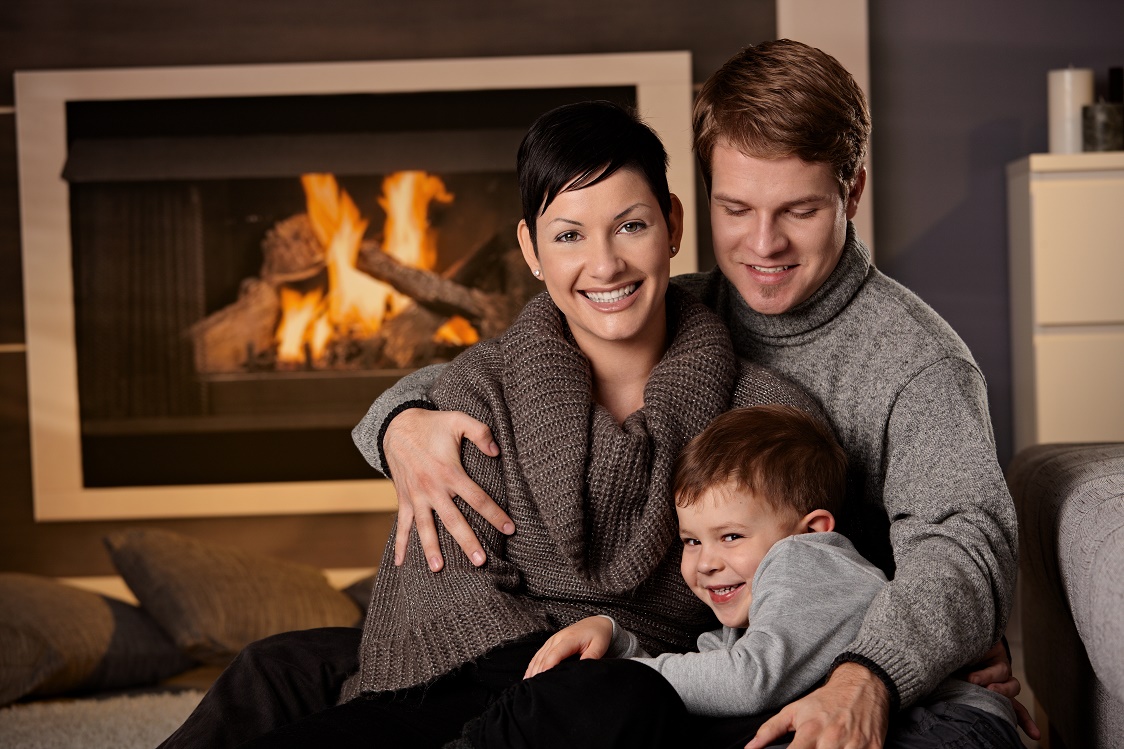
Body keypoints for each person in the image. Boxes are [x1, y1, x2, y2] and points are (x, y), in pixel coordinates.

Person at [362, 39, 1035, 748]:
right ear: (694, 207)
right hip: (682, 655)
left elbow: (963, 546)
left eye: (798, 211)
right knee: (280, 673)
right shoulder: (681, 303)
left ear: (853, 192)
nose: (763, 245)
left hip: (817, 653)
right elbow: (532, 356)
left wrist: (874, 670)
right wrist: (399, 423)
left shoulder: (915, 360)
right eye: (736, 208)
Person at [157, 99, 819, 749]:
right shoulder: (479, 385)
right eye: (568, 235)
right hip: (483, 667)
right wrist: (398, 423)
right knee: (276, 668)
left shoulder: (763, 414)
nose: (605, 263)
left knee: (610, 697)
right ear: (531, 248)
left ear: (673, 225)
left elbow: (806, 596)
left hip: (631, 689)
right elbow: (447, 567)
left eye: (631, 226)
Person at [452, 405, 1020, 749]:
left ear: (811, 529)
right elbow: (723, 668)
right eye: (691, 541)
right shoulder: (753, 615)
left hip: (942, 732)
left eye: (730, 537)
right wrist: (621, 642)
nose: (705, 562)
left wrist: (630, 673)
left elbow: (750, 682)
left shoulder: (809, 562)